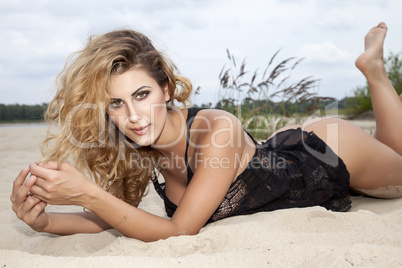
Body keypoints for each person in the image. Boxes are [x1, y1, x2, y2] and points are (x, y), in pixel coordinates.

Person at [10, 22, 402, 242]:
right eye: (116, 103)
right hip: (275, 152)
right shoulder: (139, 145)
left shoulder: (217, 130)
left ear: (165, 88)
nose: (132, 115)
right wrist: (44, 222)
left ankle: (374, 70)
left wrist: (85, 191)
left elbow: (179, 230)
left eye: (142, 94)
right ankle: (374, 71)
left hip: (326, 152)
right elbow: (114, 217)